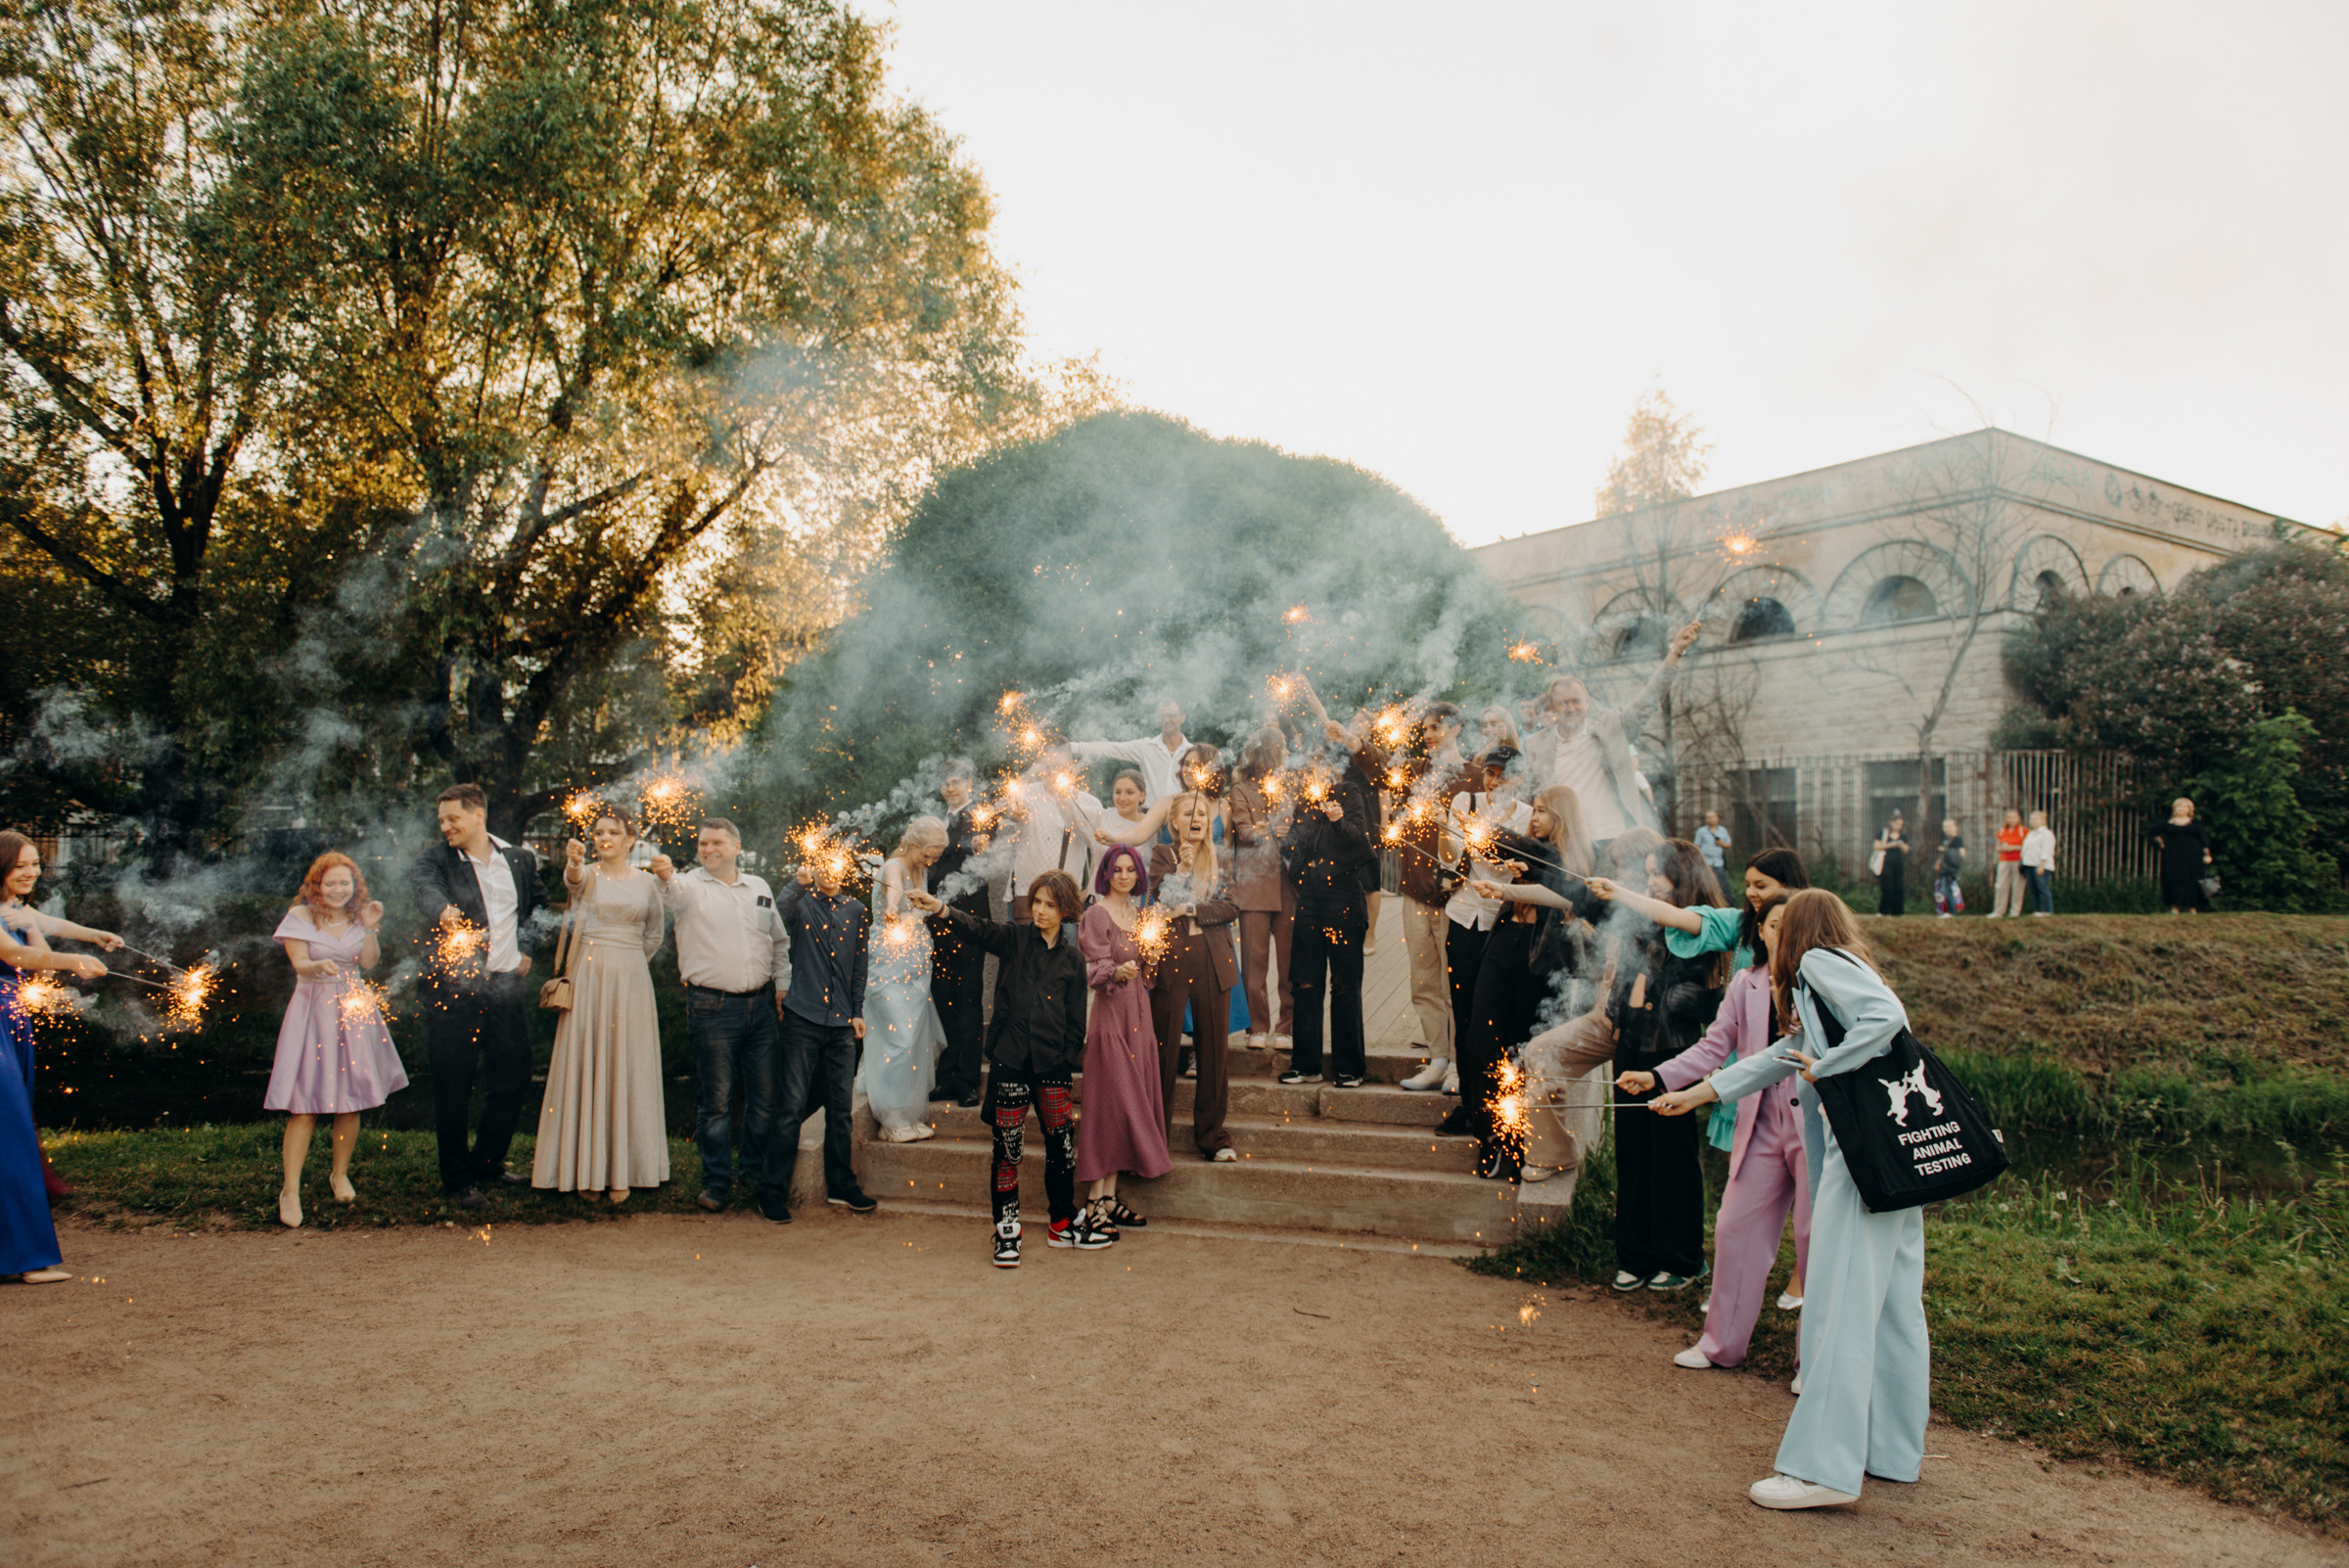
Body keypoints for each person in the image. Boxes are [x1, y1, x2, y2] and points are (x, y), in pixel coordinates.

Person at [1651, 890, 1930, 1510]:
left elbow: (1884, 1018)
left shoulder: (1815, 965)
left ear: (1798, 930)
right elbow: (1782, 1056)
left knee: (1837, 1306)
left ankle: (1823, 1471)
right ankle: (1891, 1451)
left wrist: (1827, 1067)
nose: (1765, 936)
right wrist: (1700, 1094)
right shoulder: (1838, 970)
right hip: (1892, 1158)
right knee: (1893, 1309)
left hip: (1857, 1160)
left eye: (1775, 927)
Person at [1619, 896, 1808, 1371]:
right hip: (1759, 1119)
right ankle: (1720, 1344)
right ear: (1759, 932)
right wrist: (1660, 1077)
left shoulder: (1819, 984)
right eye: (1771, 925)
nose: (1778, 933)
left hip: (1813, 1124)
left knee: (1814, 1237)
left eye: (1790, 926)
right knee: (1734, 1227)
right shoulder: (1746, 983)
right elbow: (1713, 1046)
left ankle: (1815, 1362)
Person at [907, 869, 1092, 1266]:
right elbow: (977, 929)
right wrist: (941, 908)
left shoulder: (1074, 960)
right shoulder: (1015, 938)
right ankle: (1007, 1229)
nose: (1040, 911)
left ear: (1066, 910)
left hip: (1053, 1067)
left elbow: (1077, 1021)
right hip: (1010, 1061)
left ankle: (1062, 1222)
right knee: (1007, 1150)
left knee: (1062, 1148)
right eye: (1037, 902)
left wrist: (1065, 1056)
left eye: (1050, 905)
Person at [410, 783, 544, 1212]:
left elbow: (539, 907)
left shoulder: (519, 859)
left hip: (506, 989)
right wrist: (444, 912)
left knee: (513, 1077)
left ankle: (488, 1163)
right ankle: (458, 1180)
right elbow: (424, 888)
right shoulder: (436, 858)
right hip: (454, 992)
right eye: (442, 821)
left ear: (478, 815)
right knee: (453, 1085)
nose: (446, 827)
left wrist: (528, 949)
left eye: (453, 819)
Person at [1455, 785, 1597, 1179]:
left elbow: (1552, 879)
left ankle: (1519, 1141)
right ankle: (1489, 1138)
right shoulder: (1533, 853)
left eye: (1542, 811)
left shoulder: (1570, 862)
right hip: (1504, 945)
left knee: (1522, 1048)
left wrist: (1490, 832)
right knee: (1480, 1042)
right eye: (1533, 810)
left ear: (1562, 817)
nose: (1534, 818)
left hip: (1542, 959)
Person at [653, 818, 791, 1212]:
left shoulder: (759, 888)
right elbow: (670, 892)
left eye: (716, 842)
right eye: (701, 843)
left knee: (765, 1100)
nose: (707, 849)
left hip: (762, 1008)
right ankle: (715, 1182)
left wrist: (782, 986)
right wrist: (664, 875)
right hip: (711, 1007)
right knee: (715, 1102)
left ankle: (751, 1171)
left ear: (736, 846)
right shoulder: (688, 886)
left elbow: (778, 942)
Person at [533, 807, 669, 1202]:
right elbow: (572, 882)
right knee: (585, 1059)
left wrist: (626, 964)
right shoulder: (587, 873)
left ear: (631, 839)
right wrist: (574, 862)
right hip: (589, 974)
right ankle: (582, 1170)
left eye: (613, 831)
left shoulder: (646, 884)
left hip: (630, 978)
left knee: (628, 1063)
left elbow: (654, 934)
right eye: (598, 832)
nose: (604, 837)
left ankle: (624, 1170)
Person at [266, 852, 402, 1228]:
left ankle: (339, 1174)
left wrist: (372, 928)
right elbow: (298, 964)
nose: (338, 889)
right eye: (331, 883)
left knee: (351, 1099)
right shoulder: (301, 917)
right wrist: (317, 966)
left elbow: (370, 963)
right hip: (312, 1008)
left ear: (354, 886)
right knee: (304, 1105)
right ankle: (290, 1190)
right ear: (317, 885)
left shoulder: (361, 917)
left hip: (354, 1009)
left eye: (345, 883)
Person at [0, 831, 110, 1284]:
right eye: (22, 865)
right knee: (10, 1134)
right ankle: (26, 1257)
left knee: (15, 1126)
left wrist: (95, 936)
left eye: (36, 865)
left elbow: (52, 925)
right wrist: (73, 962)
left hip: (12, 1021)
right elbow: (11, 952)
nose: (32, 872)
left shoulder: (17, 909)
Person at [1519, 622, 1701, 837]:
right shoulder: (1537, 745)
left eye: (1576, 701)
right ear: (1553, 708)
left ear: (1587, 703)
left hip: (1615, 837)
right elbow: (1528, 797)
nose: (1571, 708)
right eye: (1563, 703)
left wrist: (1675, 652)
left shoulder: (1611, 729)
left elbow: (1648, 699)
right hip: (1568, 842)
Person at [772, 845, 876, 1220]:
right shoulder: (800, 903)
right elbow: (778, 915)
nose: (830, 873)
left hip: (842, 1024)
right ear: (814, 869)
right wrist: (794, 885)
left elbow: (859, 966)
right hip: (802, 1017)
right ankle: (773, 1190)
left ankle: (841, 1184)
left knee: (840, 1111)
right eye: (823, 866)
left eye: (837, 866)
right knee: (790, 1106)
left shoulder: (856, 910)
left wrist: (858, 1011)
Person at [1433, 746, 1533, 1124]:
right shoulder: (1466, 800)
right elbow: (1448, 856)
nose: (1493, 782)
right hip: (1464, 916)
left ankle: (1497, 1109)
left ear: (1519, 778)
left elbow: (1511, 868)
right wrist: (1444, 827)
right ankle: (1468, 1104)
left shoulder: (1526, 816)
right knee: (1464, 1011)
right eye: (1489, 774)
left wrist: (1485, 838)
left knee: (1492, 1015)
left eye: (1502, 775)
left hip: (1503, 923)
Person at [1073, 845, 1162, 1238]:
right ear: (1106, 874)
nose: (1124, 876)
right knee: (1111, 1104)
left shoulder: (1143, 915)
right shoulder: (1097, 913)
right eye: (1116, 870)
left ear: (1138, 874)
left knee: (1130, 1103)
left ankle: (1109, 1198)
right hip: (1110, 1019)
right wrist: (1117, 972)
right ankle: (1093, 1200)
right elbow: (1094, 971)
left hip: (1139, 1017)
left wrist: (1151, 960)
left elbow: (1147, 975)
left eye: (1130, 870)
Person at [1276, 742, 1377, 1087]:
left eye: (1321, 762)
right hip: (1310, 901)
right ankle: (1306, 1064)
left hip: (1343, 901)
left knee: (1345, 984)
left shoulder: (1349, 793)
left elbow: (1359, 840)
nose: (1314, 768)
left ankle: (1349, 1067)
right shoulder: (1305, 799)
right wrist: (1285, 840)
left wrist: (1337, 820)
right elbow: (1295, 846)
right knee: (1305, 980)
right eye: (1312, 762)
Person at [1393, 703, 1482, 1093]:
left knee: (1455, 986)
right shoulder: (1415, 772)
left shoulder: (1474, 777)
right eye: (1425, 728)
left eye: (1438, 727)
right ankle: (1437, 1059)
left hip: (1456, 896)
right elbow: (1379, 768)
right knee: (1424, 984)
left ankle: (1462, 1065)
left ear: (1458, 728)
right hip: (1414, 892)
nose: (1429, 734)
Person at [1150, 794, 1241, 1162]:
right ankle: (1155, 1139)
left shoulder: (1222, 856)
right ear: (1175, 822)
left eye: (1202, 812)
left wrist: (1191, 908)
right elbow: (1158, 896)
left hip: (1212, 957)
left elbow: (1231, 906)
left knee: (1214, 1048)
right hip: (1171, 957)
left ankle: (1213, 1138)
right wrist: (1183, 871)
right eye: (1188, 813)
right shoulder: (1162, 854)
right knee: (1164, 1048)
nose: (1196, 818)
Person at [861, 817, 949, 1142]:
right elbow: (894, 894)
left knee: (914, 1040)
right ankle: (891, 1118)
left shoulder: (921, 869)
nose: (930, 861)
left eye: (936, 856)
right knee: (896, 1039)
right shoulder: (893, 867)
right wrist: (892, 907)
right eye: (927, 854)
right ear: (912, 845)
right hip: (888, 966)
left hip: (915, 967)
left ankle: (908, 1115)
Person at [927, 760, 993, 1108]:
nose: (950, 788)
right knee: (943, 997)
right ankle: (946, 1077)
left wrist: (985, 844)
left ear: (969, 782)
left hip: (968, 922)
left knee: (968, 1000)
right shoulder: (936, 821)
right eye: (945, 783)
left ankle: (968, 1081)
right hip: (936, 922)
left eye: (956, 782)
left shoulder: (983, 817)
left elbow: (990, 855)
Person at [1227, 725, 1297, 1052]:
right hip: (1254, 883)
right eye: (1282, 747)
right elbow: (1244, 831)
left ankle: (1288, 1025)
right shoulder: (1241, 789)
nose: (1286, 753)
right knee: (1253, 963)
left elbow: (1301, 829)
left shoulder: (1292, 785)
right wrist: (1270, 829)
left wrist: (1287, 832)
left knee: (1289, 962)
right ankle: (1257, 1025)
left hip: (1289, 884)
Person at [1007, 747, 1100, 921]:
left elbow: (1100, 848)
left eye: (1059, 766)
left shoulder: (1089, 802)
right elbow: (1006, 818)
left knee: (1066, 948)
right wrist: (1014, 814)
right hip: (1026, 894)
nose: (1053, 772)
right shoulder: (1025, 793)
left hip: (1066, 896)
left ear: (1071, 766)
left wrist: (1088, 889)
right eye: (1048, 765)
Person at [1070, 701, 1190, 804]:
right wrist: (1070, 747)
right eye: (1162, 716)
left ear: (1183, 718)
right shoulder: (1146, 747)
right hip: (1150, 819)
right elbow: (1110, 748)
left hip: (1182, 820)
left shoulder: (1192, 752)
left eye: (1171, 715)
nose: (1166, 720)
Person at [1989, 809, 2027, 919]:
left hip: (2017, 860)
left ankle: (2015, 911)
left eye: (2014, 817)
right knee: (2000, 885)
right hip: (2004, 860)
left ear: (2018, 818)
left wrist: (2014, 847)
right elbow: (1997, 846)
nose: (2011, 820)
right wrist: (2002, 848)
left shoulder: (2023, 831)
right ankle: (1999, 911)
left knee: (2017, 886)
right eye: (2009, 817)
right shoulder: (2002, 831)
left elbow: (2027, 847)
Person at [2025, 809, 2060, 916]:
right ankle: (2038, 910)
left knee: (2042, 888)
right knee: (2034, 888)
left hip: (2040, 865)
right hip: (2029, 864)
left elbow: (2047, 850)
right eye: (2031, 819)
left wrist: (2042, 864)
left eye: (2036, 819)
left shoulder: (2047, 834)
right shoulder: (2031, 834)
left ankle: (2048, 910)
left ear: (2042, 821)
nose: (2033, 821)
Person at [1872, 814, 1909, 917]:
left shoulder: (1903, 836)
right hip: (1886, 863)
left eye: (1901, 824)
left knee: (1898, 887)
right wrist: (1891, 845)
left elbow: (1906, 850)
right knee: (1887, 887)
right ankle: (1883, 910)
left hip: (1898, 864)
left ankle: (1897, 911)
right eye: (1897, 824)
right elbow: (1876, 846)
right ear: (1891, 823)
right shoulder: (1883, 833)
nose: (1899, 826)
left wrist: (1900, 845)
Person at [1932, 818, 1965, 918]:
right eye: (1945, 827)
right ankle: (1949, 911)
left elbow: (1962, 854)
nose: (1947, 829)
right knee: (1943, 889)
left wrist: (1946, 850)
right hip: (1944, 869)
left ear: (1955, 827)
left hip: (1951, 870)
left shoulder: (1957, 840)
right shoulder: (1946, 840)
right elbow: (1943, 855)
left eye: (1949, 826)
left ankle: (1952, 912)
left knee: (1947, 890)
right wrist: (1938, 863)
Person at [1695, 810, 1730, 880]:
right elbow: (1697, 846)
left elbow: (1729, 844)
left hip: (1719, 862)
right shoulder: (1701, 831)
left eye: (1713, 817)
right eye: (1708, 817)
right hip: (1706, 863)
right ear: (1706, 820)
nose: (1711, 819)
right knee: (1706, 883)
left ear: (1717, 818)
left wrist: (1721, 844)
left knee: (1722, 884)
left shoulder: (1723, 830)